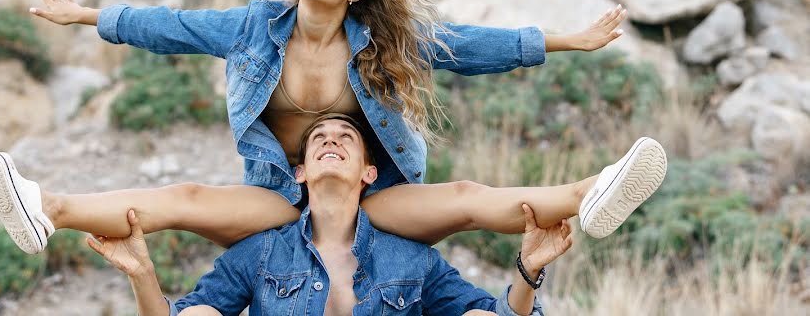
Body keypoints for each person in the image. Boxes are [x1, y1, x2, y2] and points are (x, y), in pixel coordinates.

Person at [0, 0, 662, 256]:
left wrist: (570, 39)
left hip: (377, 198)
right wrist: (86, 15)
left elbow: (465, 45)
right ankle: (47, 209)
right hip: (282, 198)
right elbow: (171, 25)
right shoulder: (252, 27)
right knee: (183, 198)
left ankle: (587, 195)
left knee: (464, 198)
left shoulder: (382, 39)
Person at [88, 114, 580, 316]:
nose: (330, 139)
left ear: (369, 172)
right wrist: (142, 274)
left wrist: (528, 270)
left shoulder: (411, 259)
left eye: (345, 138)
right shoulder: (262, 252)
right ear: (298, 173)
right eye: (319, 138)